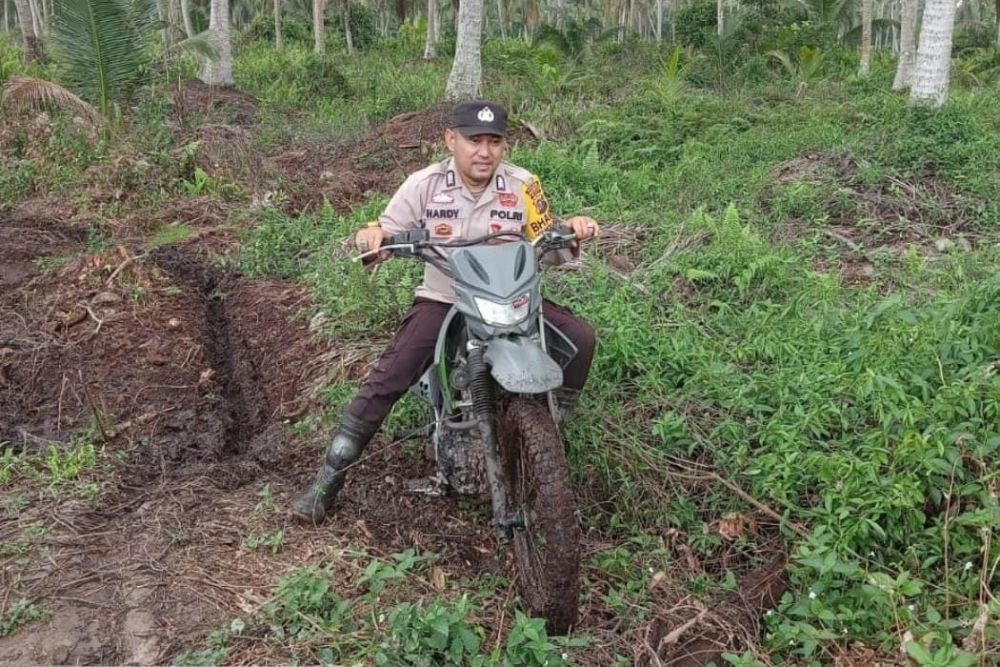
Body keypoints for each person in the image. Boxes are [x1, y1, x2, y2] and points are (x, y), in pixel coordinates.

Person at [292, 100, 600, 525]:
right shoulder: (424, 185)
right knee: (390, 375)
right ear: (451, 139)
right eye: (474, 141)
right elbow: (383, 229)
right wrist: (373, 238)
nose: (485, 152)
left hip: (510, 298)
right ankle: (329, 478)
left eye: (495, 142)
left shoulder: (524, 185)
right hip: (446, 297)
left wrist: (573, 232)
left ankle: (551, 428)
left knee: (580, 339)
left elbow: (546, 242)